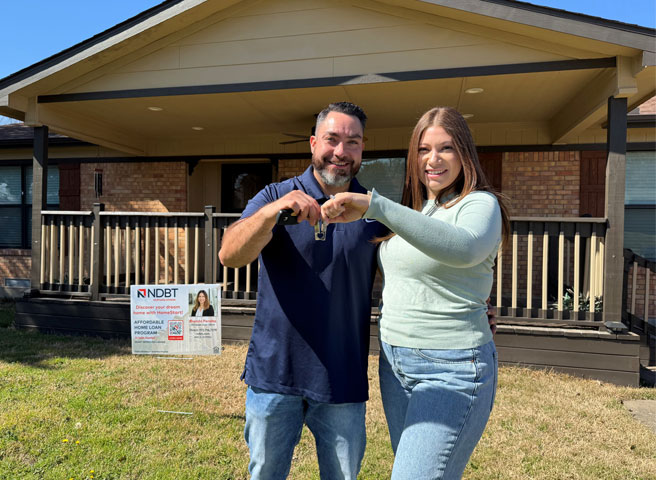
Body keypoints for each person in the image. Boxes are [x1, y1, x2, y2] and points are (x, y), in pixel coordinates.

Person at [321, 106, 510, 479]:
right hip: (395, 364)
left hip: (451, 368)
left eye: (446, 149)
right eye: (424, 150)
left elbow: (463, 248)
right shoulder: (420, 210)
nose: (433, 160)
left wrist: (375, 205)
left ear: (465, 154)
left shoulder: (480, 204)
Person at [218, 102, 386, 479]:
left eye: (353, 142)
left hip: (342, 378)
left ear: (362, 150)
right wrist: (272, 213)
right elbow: (229, 254)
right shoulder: (276, 195)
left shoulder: (373, 210)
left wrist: (474, 309)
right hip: (276, 374)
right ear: (313, 143)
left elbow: (411, 273)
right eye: (332, 139)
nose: (341, 152)